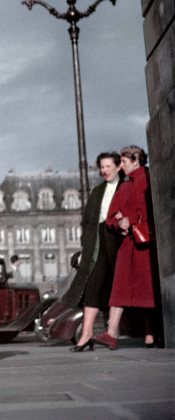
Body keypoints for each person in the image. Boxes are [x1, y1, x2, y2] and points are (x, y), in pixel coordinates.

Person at [93, 146, 159, 350]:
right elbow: (111, 216)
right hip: (129, 245)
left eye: (124, 161)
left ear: (136, 160)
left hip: (147, 244)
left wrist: (128, 218)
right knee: (120, 289)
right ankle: (111, 334)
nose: (120, 166)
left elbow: (151, 210)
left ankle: (151, 334)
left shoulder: (150, 179)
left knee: (148, 291)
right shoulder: (125, 186)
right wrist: (118, 222)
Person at [60, 152, 124, 351]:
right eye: (102, 167)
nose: (105, 170)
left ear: (118, 166)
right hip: (97, 240)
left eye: (108, 166)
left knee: (120, 287)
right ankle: (86, 334)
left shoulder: (125, 187)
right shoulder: (97, 191)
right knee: (92, 286)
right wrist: (85, 245)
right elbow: (86, 220)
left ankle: (117, 333)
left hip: (118, 241)